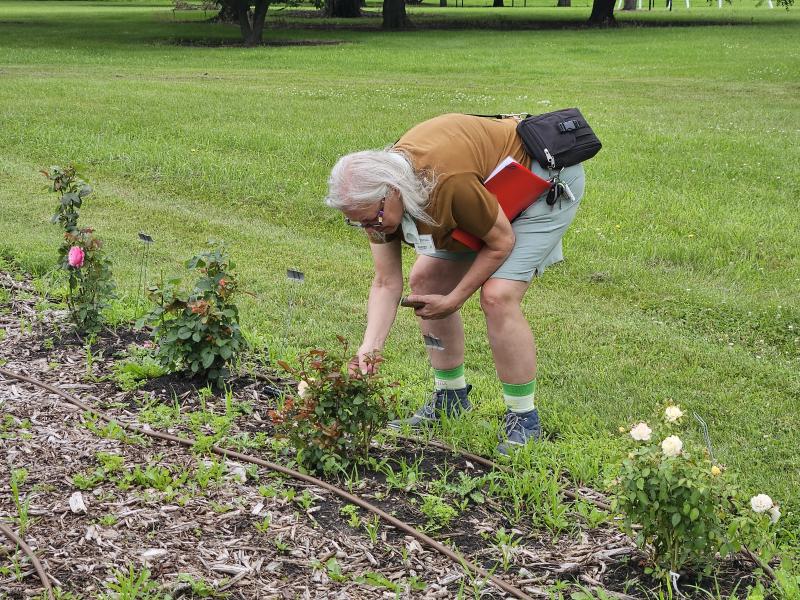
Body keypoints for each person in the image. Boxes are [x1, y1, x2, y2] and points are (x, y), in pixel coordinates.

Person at [325, 113, 585, 454]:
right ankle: (450, 398)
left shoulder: (445, 182)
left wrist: (456, 298)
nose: (370, 227)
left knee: (497, 296)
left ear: (393, 192)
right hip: (488, 192)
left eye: (372, 218)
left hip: (542, 181)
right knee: (425, 280)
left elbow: (500, 242)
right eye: (356, 222)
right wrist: (370, 346)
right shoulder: (374, 205)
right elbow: (387, 282)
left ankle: (525, 420)